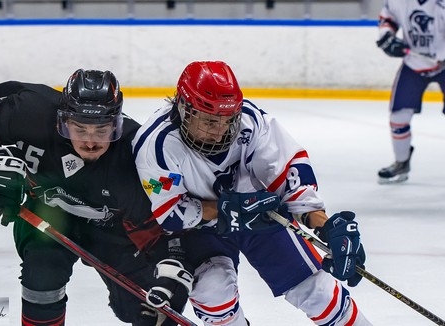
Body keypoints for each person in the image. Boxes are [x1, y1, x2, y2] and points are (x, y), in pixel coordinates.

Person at [0, 69, 190, 325]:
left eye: (101, 131)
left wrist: (170, 270)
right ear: (63, 120)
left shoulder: (136, 154)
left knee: (149, 310)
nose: (90, 142)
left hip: (114, 231)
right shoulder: (30, 113)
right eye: (80, 129)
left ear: (116, 124)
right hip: (49, 215)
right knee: (42, 276)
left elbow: (161, 227)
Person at [133, 61, 371, 325]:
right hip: (200, 229)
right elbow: (171, 213)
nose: (221, 130)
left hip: (261, 214)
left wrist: (324, 226)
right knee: (213, 292)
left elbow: (287, 173)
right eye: (210, 121)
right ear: (184, 109)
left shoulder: (250, 121)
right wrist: (226, 208)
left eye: (227, 119)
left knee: (318, 291)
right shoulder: (156, 145)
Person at [375, 0, 445, 184]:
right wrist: (387, 36)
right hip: (413, 64)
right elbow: (388, 18)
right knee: (398, 118)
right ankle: (402, 162)